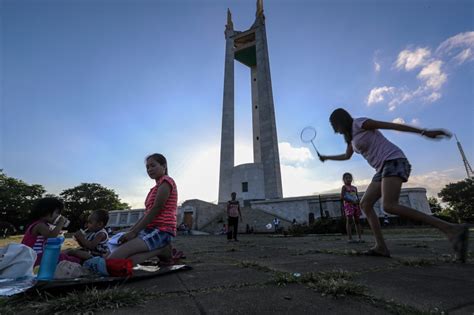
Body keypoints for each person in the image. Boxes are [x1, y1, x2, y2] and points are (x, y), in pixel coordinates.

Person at [318, 108, 469, 261]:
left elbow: (391, 126)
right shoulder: (351, 138)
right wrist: (327, 157)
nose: (335, 130)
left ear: (340, 120)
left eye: (334, 125)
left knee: (389, 205)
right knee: (365, 204)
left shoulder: (360, 123)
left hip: (394, 160)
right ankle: (381, 247)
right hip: (381, 169)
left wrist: (424, 132)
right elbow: (346, 156)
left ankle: (451, 228)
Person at [107, 153, 177, 265]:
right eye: (147, 167)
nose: (149, 169)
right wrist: (131, 231)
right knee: (114, 257)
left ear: (164, 166)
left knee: (114, 261)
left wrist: (134, 232)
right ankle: (161, 250)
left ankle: (162, 249)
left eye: (153, 165)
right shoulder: (154, 188)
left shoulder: (167, 181)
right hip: (149, 229)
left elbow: (156, 208)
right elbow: (147, 213)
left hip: (161, 230)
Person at [21, 197, 80, 266]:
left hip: (36, 256)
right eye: (57, 213)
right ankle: (82, 262)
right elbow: (52, 236)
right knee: (65, 259)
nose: (58, 216)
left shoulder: (42, 224)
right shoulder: (40, 225)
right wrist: (60, 222)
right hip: (35, 257)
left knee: (68, 252)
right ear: (47, 211)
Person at [341, 172, 363, 243]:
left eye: (349, 178)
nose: (348, 179)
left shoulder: (354, 188)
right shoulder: (344, 187)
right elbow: (342, 196)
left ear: (352, 179)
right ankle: (350, 238)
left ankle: (359, 238)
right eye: (346, 178)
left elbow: (356, 196)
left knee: (357, 221)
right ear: (343, 180)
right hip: (348, 206)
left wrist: (358, 201)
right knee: (349, 221)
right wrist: (350, 201)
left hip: (356, 205)